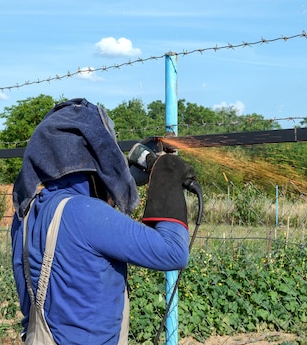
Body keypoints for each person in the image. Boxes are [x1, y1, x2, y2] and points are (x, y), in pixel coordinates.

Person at [11, 98, 196, 345]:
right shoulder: (86, 214)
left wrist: (124, 182)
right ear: (97, 155)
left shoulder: (26, 211)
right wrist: (167, 178)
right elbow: (173, 252)